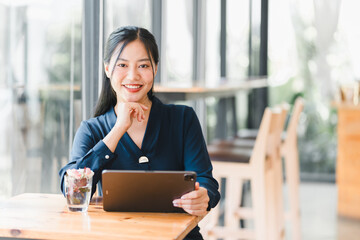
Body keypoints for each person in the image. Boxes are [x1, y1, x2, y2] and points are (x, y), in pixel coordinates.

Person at [59, 26, 220, 239]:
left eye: (143, 65)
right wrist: (118, 130)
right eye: (122, 65)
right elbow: (73, 190)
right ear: (107, 69)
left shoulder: (183, 118)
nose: (133, 76)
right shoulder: (92, 129)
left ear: (155, 68)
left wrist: (203, 196)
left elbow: (206, 181)